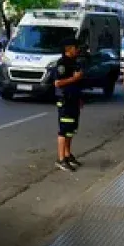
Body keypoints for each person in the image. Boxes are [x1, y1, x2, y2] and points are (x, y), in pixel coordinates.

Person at [54, 38, 84, 172]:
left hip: (74, 99)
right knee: (64, 129)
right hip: (65, 100)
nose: (77, 50)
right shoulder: (62, 63)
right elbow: (57, 83)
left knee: (71, 130)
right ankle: (61, 159)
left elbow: (77, 83)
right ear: (69, 48)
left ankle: (67, 155)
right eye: (75, 47)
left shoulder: (74, 62)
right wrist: (75, 78)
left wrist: (79, 98)